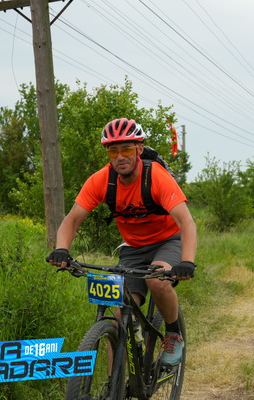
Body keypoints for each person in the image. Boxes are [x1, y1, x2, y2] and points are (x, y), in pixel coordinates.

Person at [46, 117, 197, 366]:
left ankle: (173, 334)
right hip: (133, 248)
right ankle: (113, 384)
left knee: (156, 280)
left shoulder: (156, 177)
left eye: (126, 149)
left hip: (168, 241)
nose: (120, 157)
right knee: (118, 318)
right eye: (113, 151)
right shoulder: (102, 180)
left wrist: (187, 262)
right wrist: (62, 249)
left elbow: (186, 222)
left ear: (139, 149)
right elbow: (72, 220)